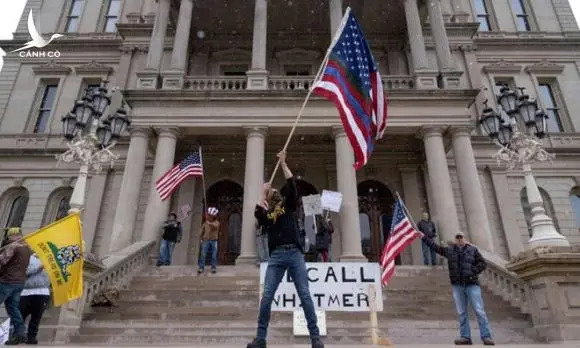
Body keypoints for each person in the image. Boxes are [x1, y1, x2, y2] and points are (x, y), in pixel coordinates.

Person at [247, 151, 323, 348]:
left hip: (295, 254)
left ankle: (315, 337)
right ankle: (261, 338)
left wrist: (283, 163)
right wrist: (262, 194)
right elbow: (259, 215)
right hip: (277, 256)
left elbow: (291, 184)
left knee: (304, 294)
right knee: (267, 297)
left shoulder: (288, 206)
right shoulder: (269, 215)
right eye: (271, 193)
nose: (274, 192)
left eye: (274, 191)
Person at [422, 231, 495, 346]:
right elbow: (436, 248)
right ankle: (465, 337)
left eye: (461, 237)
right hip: (458, 286)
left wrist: (473, 271)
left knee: (479, 311)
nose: (460, 239)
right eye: (457, 237)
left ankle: (486, 336)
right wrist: (424, 237)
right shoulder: (450, 250)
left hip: (472, 285)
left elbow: (482, 263)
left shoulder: (473, 250)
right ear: (455, 239)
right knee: (461, 312)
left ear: (464, 239)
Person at [0, 227, 31, 345]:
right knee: (13, 309)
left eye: (9, 236)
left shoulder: (12, 246)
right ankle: (20, 334)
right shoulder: (27, 248)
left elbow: (3, 261)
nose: (8, 238)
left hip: (7, 281)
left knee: (13, 309)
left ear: (12, 235)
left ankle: (19, 334)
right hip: (19, 282)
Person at [19, 253, 50, 345]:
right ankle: (17, 336)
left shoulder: (50, 260)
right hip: (26, 292)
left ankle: (31, 337)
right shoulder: (28, 258)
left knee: (36, 317)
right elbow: (24, 272)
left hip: (42, 292)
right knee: (20, 316)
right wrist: (40, 266)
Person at [198, 207, 220, 274]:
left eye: (210, 215)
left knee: (214, 255)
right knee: (203, 254)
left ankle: (213, 267)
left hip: (214, 241)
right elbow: (201, 231)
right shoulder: (205, 223)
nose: (209, 216)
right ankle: (201, 267)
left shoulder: (217, 222)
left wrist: (209, 223)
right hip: (206, 240)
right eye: (209, 215)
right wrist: (201, 238)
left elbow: (215, 227)